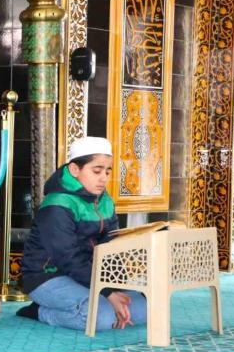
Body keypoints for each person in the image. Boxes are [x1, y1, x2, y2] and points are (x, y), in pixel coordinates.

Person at [18, 136, 147, 331]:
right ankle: (39, 311)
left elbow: (111, 248)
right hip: (48, 277)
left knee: (143, 308)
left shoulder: (105, 201)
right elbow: (68, 258)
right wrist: (108, 293)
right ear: (74, 170)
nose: (103, 178)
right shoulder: (57, 204)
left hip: (87, 275)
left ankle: (92, 305)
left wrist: (116, 287)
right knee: (101, 318)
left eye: (108, 171)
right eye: (96, 171)